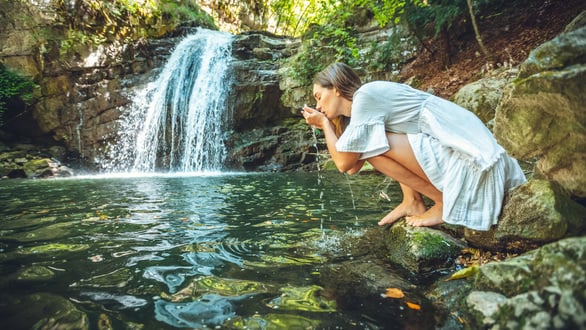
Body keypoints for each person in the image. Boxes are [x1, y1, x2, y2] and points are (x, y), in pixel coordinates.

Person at [301, 62, 526, 231]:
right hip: (448, 145)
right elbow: (351, 168)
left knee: (374, 148)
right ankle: (412, 201)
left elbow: (342, 163)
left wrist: (324, 125)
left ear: (337, 88)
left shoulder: (365, 97)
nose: (318, 106)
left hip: (466, 151)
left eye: (319, 97)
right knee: (372, 146)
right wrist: (328, 124)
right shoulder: (363, 108)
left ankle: (442, 201)